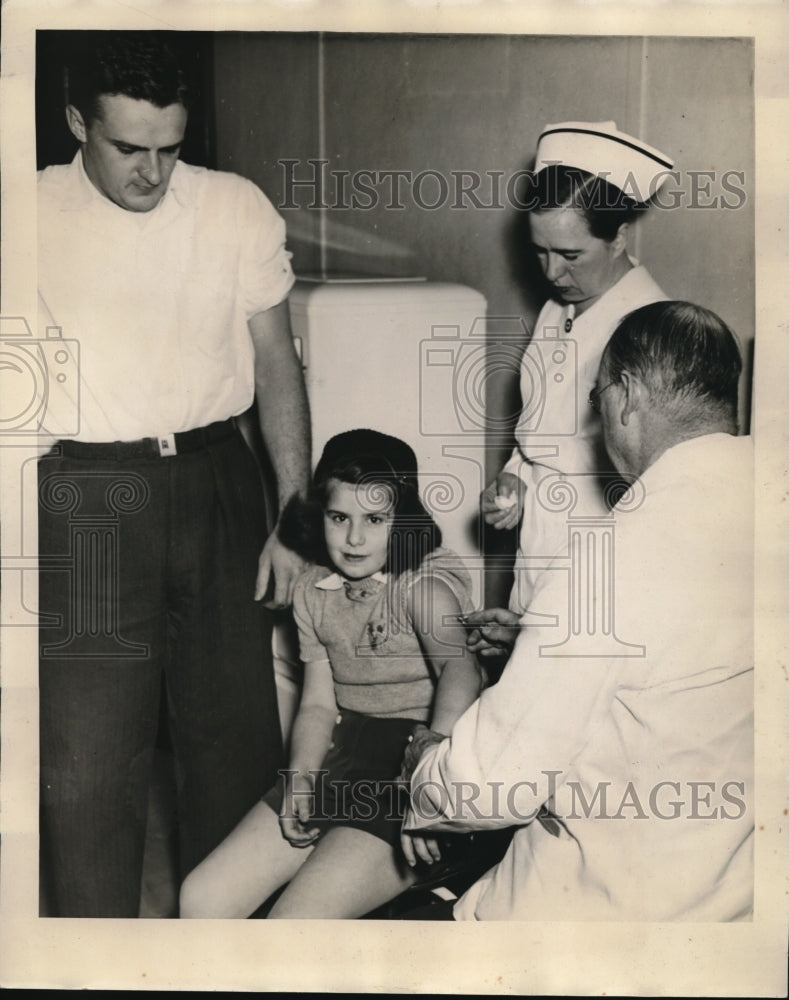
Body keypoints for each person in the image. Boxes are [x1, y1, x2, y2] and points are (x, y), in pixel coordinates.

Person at [36, 32, 310, 916]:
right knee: (87, 772)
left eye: (171, 149)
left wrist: (294, 517)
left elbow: (277, 365)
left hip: (217, 485)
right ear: (78, 122)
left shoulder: (233, 207)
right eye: (128, 150)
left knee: (234, 752)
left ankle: (222, 959)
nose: (153, 174)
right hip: (86, 499)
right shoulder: (23, 212)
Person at [403, 301, 753, 921]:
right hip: (731, 906)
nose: (598, 428)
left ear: (627, 397)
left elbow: (489, 785)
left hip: (596, 915)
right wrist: (541, 637)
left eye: (596, 402)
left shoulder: (612, 558)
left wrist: (422, 769)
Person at [179, 429, 486, 919]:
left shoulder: (424, 587)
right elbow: (319, 704)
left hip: (416, 765)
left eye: (375, 519)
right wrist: (300, 777)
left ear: (403, 519)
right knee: (201, 899)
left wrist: (431, 785)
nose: (355, 538)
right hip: (344, 756)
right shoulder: (312, 591)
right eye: (339, 517)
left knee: (294, 924)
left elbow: (462, 673)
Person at [469, 121, 673, 658]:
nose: (552, 272)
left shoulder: (648, 327)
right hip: (538, 551)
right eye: (540, 252)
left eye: (571, 254)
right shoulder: (558, 308)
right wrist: (510, 484)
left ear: (619, 237)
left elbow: (652, 494)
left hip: (596, 560)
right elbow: (539, 431)